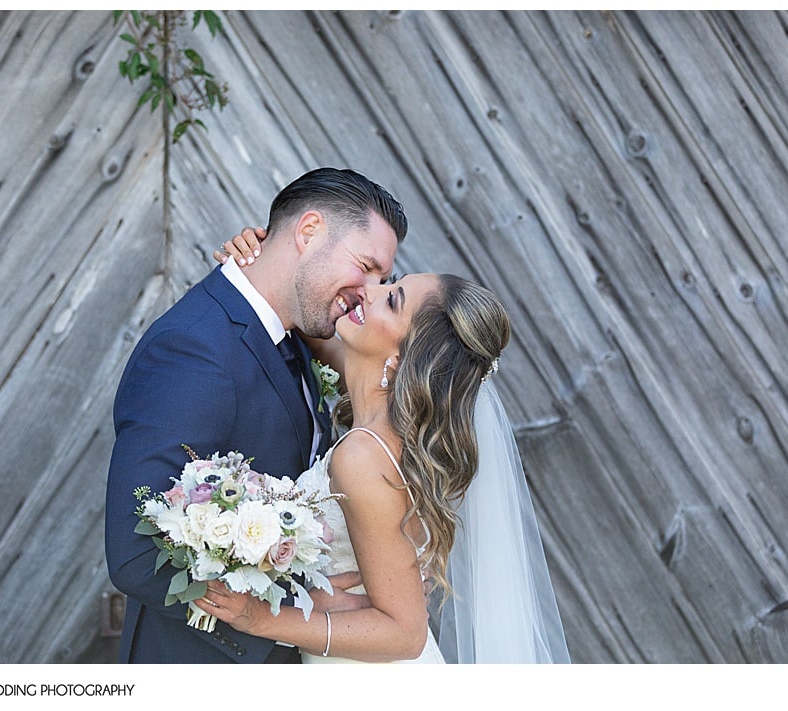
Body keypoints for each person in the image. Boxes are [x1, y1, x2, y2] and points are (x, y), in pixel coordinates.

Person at [199, 232, 571, 663]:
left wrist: (261, 619)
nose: (367, 292)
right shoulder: (384, 417)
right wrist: (262, 264)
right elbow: (318, 330)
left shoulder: (364, 456)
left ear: (407, 357)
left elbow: (404, 633)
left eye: (391, 299)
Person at [104, 168, 408, 664]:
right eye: (365, 266)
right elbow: (138, 555)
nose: (368, 293)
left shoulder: (300, 329)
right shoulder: (195, 349)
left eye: (383, 281)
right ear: (308, 232)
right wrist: (297, 609)